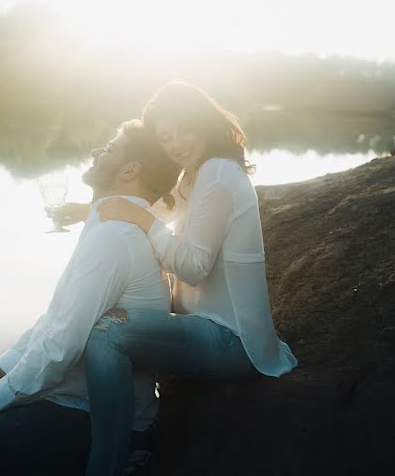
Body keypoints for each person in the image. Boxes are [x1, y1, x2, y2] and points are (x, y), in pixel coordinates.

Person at [0, 119, 181, 476]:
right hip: (69, 394)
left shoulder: (115, 239)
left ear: (130, 169)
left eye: (109, 147)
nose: (96, 151)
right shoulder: (106, 225)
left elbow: (62, 345)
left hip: (89, 412)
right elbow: (55, 319)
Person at [80, 81, 299, 475]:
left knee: (107, 334)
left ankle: (114, 460)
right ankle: (137, 435)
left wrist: (140, 219)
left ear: (204, 123)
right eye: (165, 138)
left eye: (184, 129)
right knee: (125, 317)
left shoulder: (217, 174)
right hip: (208, 326)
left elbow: (194, 265)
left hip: (232, 339)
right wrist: (88, 210)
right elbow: (164, 213)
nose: (176, 143)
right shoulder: (198, 173)